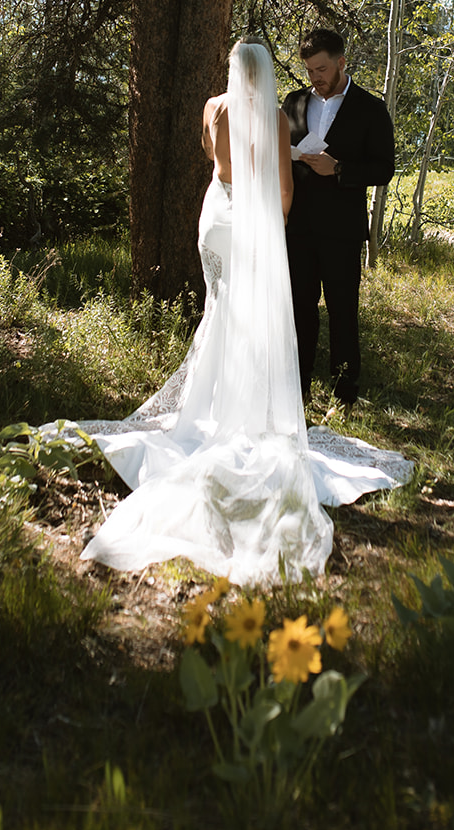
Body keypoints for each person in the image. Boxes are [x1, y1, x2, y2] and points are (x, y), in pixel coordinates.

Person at [35, 40, 411, 585]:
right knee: (254, 315)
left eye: (319, 69)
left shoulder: (214, 107)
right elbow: (283, 191)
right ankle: (252, 408)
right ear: (266, 74)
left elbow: (213, 159)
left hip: (216, 217)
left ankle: (213, 408)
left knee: (223, 310)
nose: (312, 77)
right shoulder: (280, 118)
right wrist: (270, 227)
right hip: (254, 226)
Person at [283, 27, 395, 406]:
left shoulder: (370, 108)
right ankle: (295, 388)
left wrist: (340, 169)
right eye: (310, 70)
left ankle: (344, 393)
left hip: (342, 231)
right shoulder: (294, 102)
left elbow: (384, 169)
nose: (315, 77)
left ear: (342, 63)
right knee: (299, 310)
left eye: (322, 69)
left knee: (343, 311)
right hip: (297, 227)